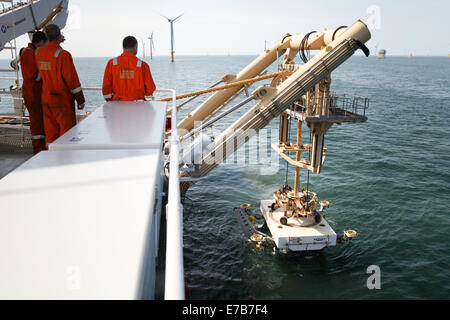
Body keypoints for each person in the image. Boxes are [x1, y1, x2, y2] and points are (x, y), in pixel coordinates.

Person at [36, 24, 85, 144]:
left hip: (46, 99)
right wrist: (80, 100)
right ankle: (65, 159)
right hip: (61, 101)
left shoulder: (38, 53)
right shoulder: (63, 55)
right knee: (66, 135)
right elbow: (72, 82)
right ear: (59, 35)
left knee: (50, 133)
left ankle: (51, 157)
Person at [102, 36, 156, 101]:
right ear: (135, 47)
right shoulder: (143, 65)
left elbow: (106, 88)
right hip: (138, 105)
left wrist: (110, 100)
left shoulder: (112, 63)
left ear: (123, 47)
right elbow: (150, 88)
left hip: (117, 104)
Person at [20, 31, 47, 154]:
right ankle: (38, 151)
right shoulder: (29, 53)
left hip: (33, 92)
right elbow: (34, 75)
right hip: (32, 93)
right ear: (41, 41)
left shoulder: (29, 52)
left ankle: (40, 149)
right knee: (37, 123)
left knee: (38, 121)